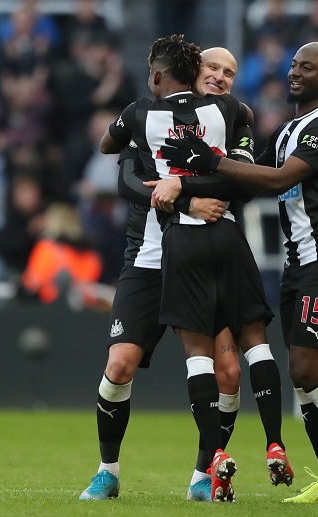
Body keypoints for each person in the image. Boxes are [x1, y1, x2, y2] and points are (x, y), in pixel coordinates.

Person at [155, 41, 318, 505]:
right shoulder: (285, 131)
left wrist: (209, 161)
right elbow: (250, 181)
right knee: (300, 373)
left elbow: (281, 180)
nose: (297, 72)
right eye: (295, 65)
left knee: (307, 366)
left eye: (309, 67)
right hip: (299, 259)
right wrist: (194, 185)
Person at [88, 35, 290, 503]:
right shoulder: (152, 119)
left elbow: (243, 180)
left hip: (205, 255)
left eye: (229, 72)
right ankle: (107, 470)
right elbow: (126, 180)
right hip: (150, 257)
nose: (220, 76)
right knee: (120, 364)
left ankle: (205, 473)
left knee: (228, 374)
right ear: (193, 74)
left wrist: (186, 186)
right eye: (212, 68)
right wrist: (186, 195)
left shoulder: (232, 117)